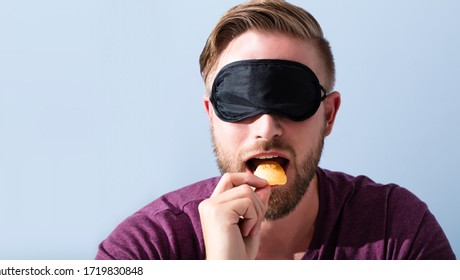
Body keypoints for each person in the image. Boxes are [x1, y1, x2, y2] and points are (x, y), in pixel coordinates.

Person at [95, 0, 456, 260]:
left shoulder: (397, 234)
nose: (267, 128)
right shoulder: (144, 251)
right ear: (211, 115)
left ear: (329, 115)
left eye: (292, 99)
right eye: (239, 102)